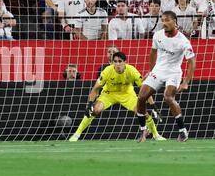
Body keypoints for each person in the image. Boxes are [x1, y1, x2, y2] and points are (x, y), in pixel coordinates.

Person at [69, 51, 165, 142]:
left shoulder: (132, 71)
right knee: (95, 110)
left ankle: (156, 135)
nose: (117, 64)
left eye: (120, 61)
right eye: (115, 61)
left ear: (125, 62)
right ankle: (77, 134)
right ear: (112, 62)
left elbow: (145, 89)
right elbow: (95, 88)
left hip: (127, 95)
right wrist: (90, 103)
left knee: (142, 112)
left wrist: (153, 106)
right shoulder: (107, 71)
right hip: (109, 94)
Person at [136, 11, 196, 142]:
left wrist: (186, 82)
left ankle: (182, 131)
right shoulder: (157, 35)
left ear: (175, 21)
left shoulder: (183, 41)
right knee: (141, 97)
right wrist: (150, 71)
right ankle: (143, 130)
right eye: (162, 20)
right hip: (158, 70)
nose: (164, 23)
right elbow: (153, 53)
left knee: (168, 97)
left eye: (167, 20)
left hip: (173, 72)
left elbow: (192, 62)